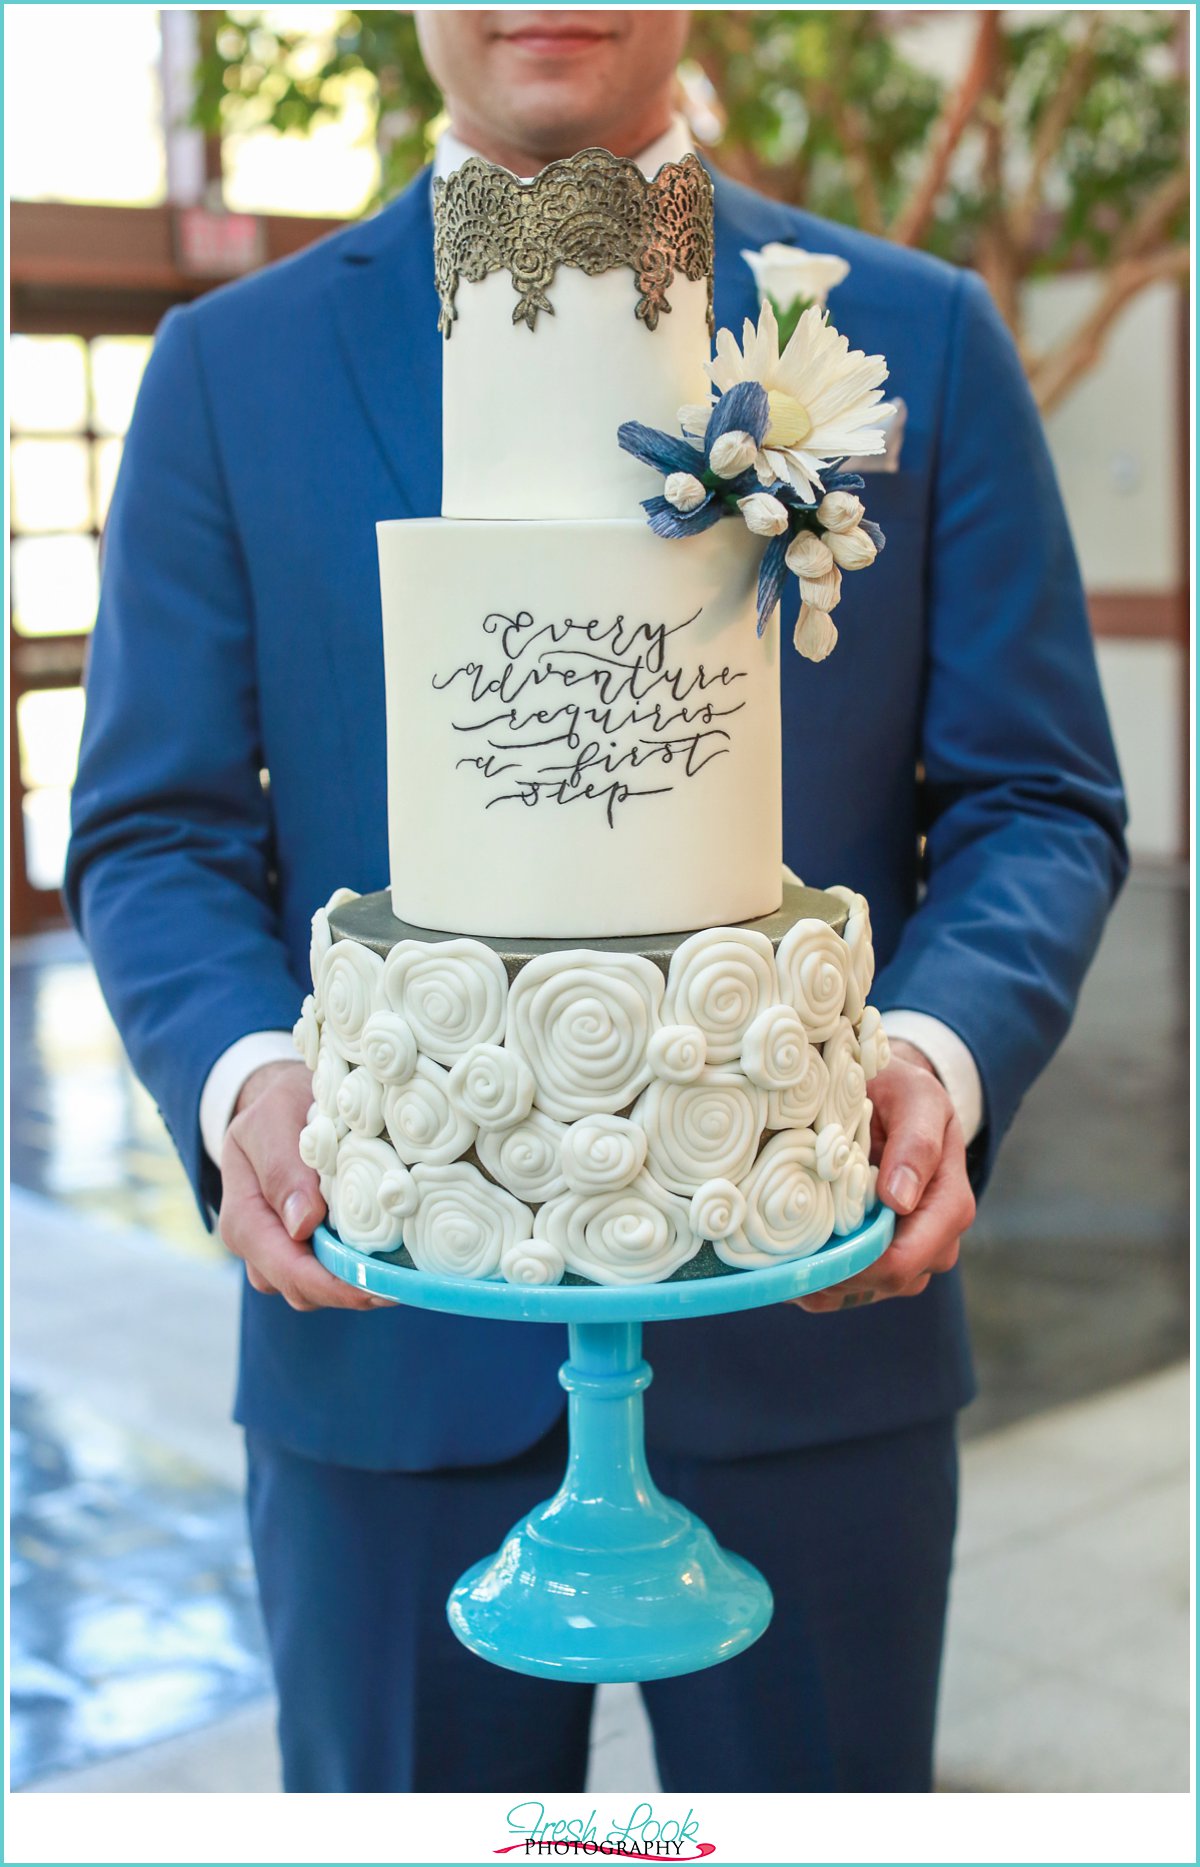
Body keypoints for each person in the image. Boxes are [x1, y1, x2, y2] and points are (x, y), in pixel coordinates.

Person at [66, 8, 1126, 1793]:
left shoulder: (909, 336)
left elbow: (1036, 797)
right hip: (383, 1340)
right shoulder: (227, 369)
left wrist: (938, 1055)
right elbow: (156, 826)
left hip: (812, 1340)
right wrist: (250, 1078)